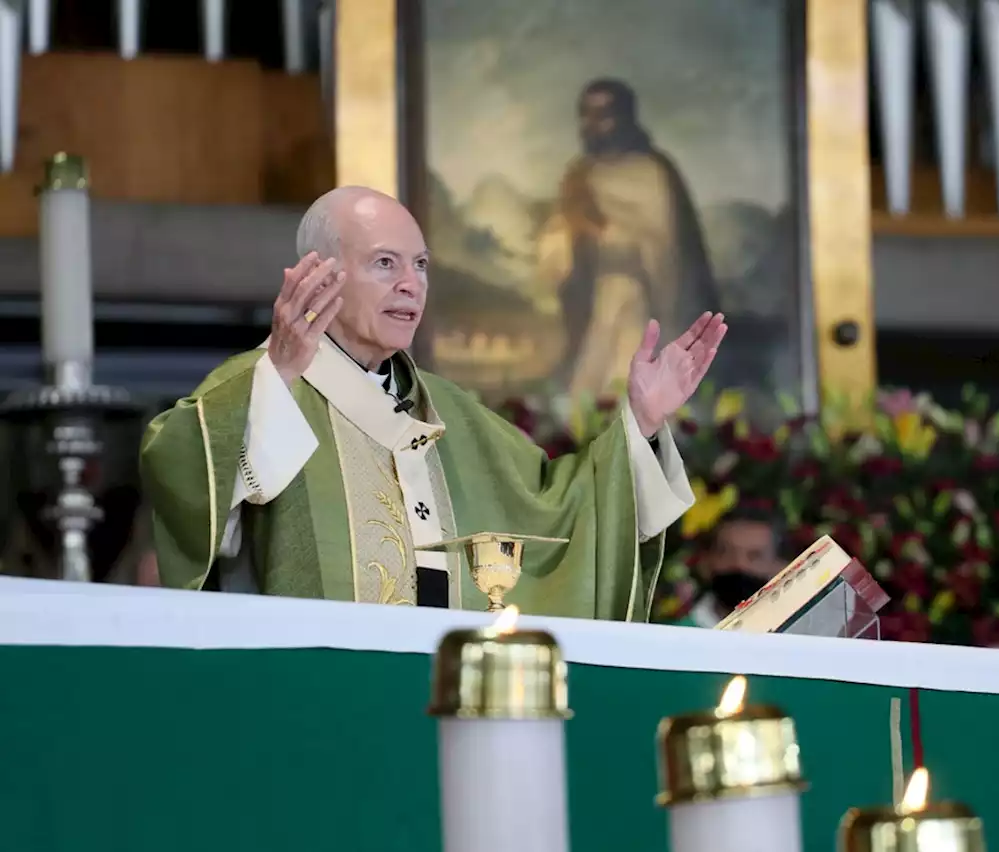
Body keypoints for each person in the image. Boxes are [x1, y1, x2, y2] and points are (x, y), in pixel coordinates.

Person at [140, 186, 726, 620]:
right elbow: (185, 487)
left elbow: (560, 511)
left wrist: (643, 421)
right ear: (320, 275)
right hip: (326, 698)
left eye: (420, 265)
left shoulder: (448, 411)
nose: (411, 284)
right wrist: (280, 376)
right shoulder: (265, 384)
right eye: (385, 264)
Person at [537, 78, 721, 398]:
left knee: (633, 379)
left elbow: (668, 248)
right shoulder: (579, 175)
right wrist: (566, 244)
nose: (593, 124)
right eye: (586, 115)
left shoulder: (654, 172)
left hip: (642, 300)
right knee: (591, 389)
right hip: (596, 302)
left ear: (624, 117)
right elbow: (559, 236)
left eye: (603, 114)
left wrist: (615, 237)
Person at [676, 506, 786, 628]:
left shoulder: (797, 636)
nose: (740, 565)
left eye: (755, 556)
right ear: (706, 562)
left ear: (781, 566)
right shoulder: (671, 637)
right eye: (727, 553)